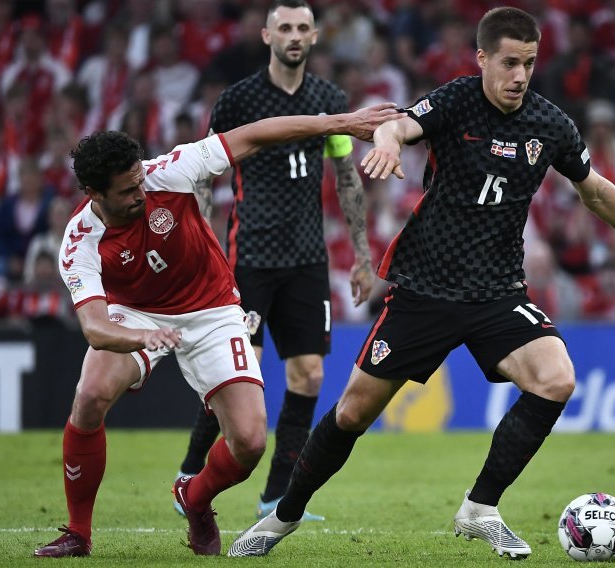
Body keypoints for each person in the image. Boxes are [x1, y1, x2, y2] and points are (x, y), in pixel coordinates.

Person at [227, 7, 615, 560]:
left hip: (498, 291)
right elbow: (400, 122)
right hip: (426, 289)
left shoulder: (550, 124)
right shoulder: (457, 100)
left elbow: (596, 190)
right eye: (509, 62)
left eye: (529, 64)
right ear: (483, 58)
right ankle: (282, 518)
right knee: (350, 415)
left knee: (556, 379)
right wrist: (388, 142)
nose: (519, 75)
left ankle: (479, 507)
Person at [31, 101, 399, 558]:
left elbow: (257, 134)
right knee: (89, 396)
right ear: (93, 192)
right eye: (126, 191)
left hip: (211, 309)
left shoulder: (169, 172)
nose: (140, 194)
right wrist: (143, 338)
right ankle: (78, 533)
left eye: (139, 181)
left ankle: (196, 498)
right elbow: (94, 327)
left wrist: (338, 124)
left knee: (249, 442)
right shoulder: (79, 238)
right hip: (136, 314)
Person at [171, 0, 375, 523]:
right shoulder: (239, 102)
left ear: (314, 36)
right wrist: (199, 245)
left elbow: (346, 176)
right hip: (249, 258)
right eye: (284, 27)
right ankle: (190, 473)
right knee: (239, 375)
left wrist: (362, 255)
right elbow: (201, 178)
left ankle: (277, 497)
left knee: (307, 375)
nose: (294, 35)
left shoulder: (329, 101)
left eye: (303, 27)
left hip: (307, 259)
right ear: (266, 35)